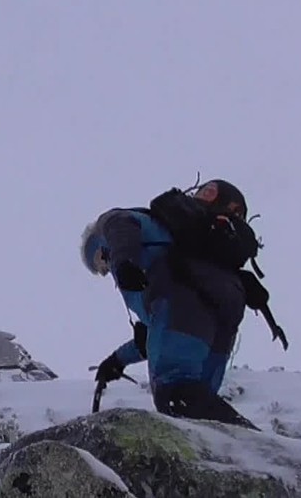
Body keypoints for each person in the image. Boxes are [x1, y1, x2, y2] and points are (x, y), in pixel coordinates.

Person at [80, 178, 265, 430]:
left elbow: (119, 222)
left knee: (175, 393)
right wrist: (117, 361)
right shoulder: (194, 249)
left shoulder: (132, 233)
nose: (105, 270)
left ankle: (259, 449)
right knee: (201, 415)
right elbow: (155, 334)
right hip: (221, 318)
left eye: (100, 262)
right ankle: (254, 447)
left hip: (180, 303)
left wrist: (123, 261)